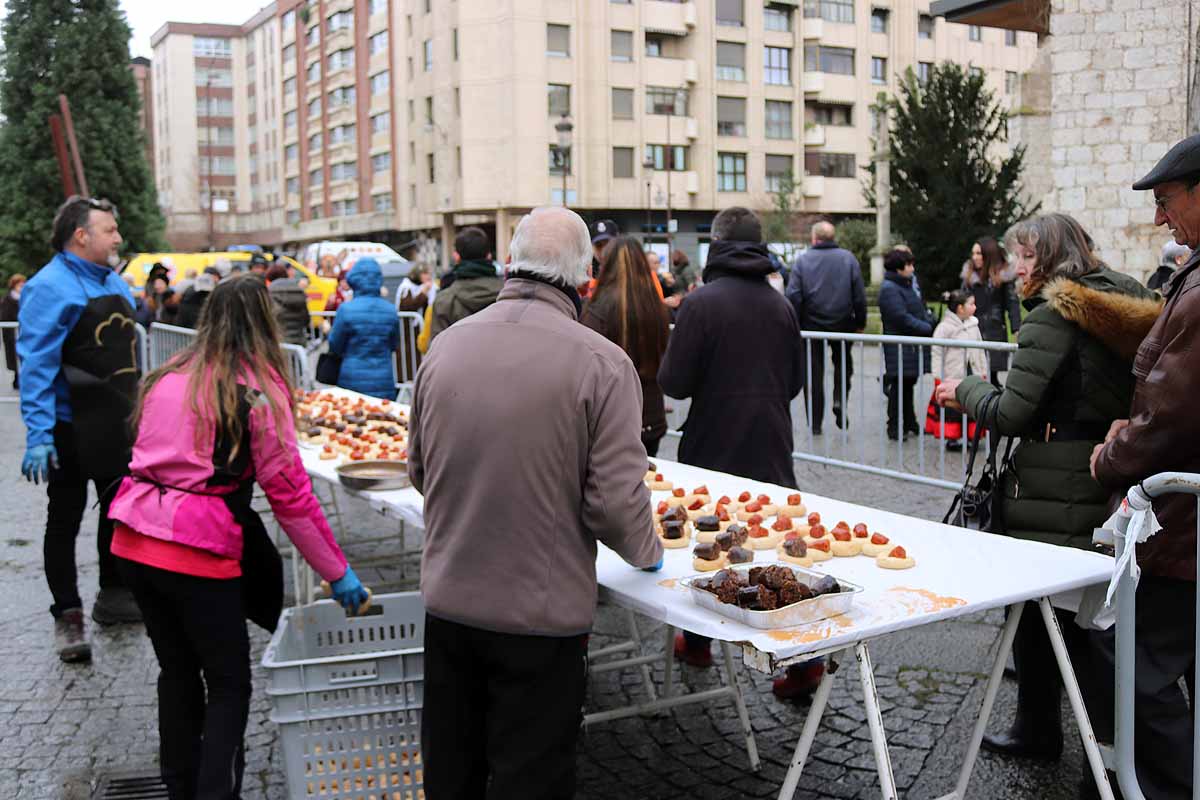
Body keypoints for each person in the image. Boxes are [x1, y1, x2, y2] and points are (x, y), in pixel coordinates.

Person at [408, 206, 662, 799]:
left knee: (452, 770)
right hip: (538, 620)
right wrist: (649, 554)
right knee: (532, 779)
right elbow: (615, 505)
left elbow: (421, 470)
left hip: (450, 604)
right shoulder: (601, 361)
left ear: (509, 265)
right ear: (583, 279)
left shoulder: (445, 347)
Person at [107, 274, 368, 800]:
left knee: (176, 672)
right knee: (228, 684)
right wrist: (338, 573)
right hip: (196, 553)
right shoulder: (256, 391)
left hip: (133, 541)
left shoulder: (166, 376)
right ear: (265, 322)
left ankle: (180, 785)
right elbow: (290, 496)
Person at [934, 213, 1160, 765]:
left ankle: (1042, 736)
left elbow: (1012, 412)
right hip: (1102, 475)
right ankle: (1101, 757)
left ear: (1053, 258)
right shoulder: (1126, 304)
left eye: (1027, 257)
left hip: (1050, 487)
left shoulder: (1051, 316)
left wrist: (963, 388)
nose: (1016, 269)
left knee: (1040, 617)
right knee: (1088, 624)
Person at [1090, 134, 1200, 799]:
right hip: (1181, 523)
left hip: (1179, 526)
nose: (1161, 218)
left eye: (1166, 201)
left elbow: (1170, 416)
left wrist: (1111, 455)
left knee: (1138, 666)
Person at [658, 207, 805, 677]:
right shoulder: (780, 305)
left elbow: (674, 382)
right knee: (776, 544)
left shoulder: (701, 304)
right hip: (770, 441)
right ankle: (803, 661)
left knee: (708, 544)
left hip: (713, 440)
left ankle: (698, 640)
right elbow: (796, 382)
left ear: (716, 246)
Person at [18, 196, 144, 663]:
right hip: (70, 429)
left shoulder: (114, 282)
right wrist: (39, 434)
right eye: (109, 230)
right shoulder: (47, 287)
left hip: (118, 424)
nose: (117, 238)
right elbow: (36, 365)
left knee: (119, 512)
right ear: (81, 236)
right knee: (64, 520)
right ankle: (68, 615)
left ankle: (114, 597)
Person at [580, 235, 672, 457]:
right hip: (651, 413)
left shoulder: (596, 310)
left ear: (606, 264)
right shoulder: (658, 308)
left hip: (610, 418)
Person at [786, 221, 867, 434]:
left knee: (813, 374)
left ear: (814, 238)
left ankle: (815, 423)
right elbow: (859, 294)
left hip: (811, 326)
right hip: (843, 324)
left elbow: (794, 295)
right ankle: (840, 399)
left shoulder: (802, 261)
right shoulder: (848, 259)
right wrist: (860, 322)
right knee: (843, 366)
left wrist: (795, 322)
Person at [878, 248, 933, 440]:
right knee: (899, 387)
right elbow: (900, 317)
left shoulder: (905, 285)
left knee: (908, 384)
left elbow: (914, 309)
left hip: (908, 345)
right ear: (899, 268)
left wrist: (927, 320)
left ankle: (910, 422)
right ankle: (894, 426)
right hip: (899, 345)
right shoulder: (890, 289)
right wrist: (925, 327)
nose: (912, 268)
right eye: (908, 265)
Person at [327, 258, 400, 400]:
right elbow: (394, 344)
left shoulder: (346, 310)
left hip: (352, 376)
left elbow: (335, 345)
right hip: (383, 377)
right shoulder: (390, 310)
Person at [925, 290, 988, 450]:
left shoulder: (974, 324)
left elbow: (980, 349)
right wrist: (938, 375)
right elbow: (937, 352)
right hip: (953, 372)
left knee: (971, 403)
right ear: (960, 308)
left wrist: (982, 370)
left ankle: (972, 436)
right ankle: (952, 438)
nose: (974, 307)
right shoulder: (944, 327)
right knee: (953, 408)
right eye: (971, 304)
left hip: (971, 370)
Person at [961, 237, 1022, 385]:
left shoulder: (1003, 277)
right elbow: (961, 302)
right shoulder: (969, 276)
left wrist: (1017, 329)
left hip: (994, 330)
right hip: (971, 329)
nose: (975, 257)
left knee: (991, 376)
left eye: (979, 253)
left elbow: (1012, 304)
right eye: (973, 253)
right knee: (973, 373)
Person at [428, 227, 504, 344]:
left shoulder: (445, 301)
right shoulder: (509, 294)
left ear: (456, 257)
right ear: (488, 256)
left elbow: (436, 351)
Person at [263, 263, 310, 345]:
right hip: (298, 342)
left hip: (279, 343)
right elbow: (306, 320)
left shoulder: (270, 292)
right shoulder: (299, 290)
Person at [1, 273, 25, 389]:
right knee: (14, 357)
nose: (21, 287)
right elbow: (4, 316)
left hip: (24, 333)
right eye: (19, 285)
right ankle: (17, 378)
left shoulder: (26, 298)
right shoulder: (8, 299)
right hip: (11, 334)